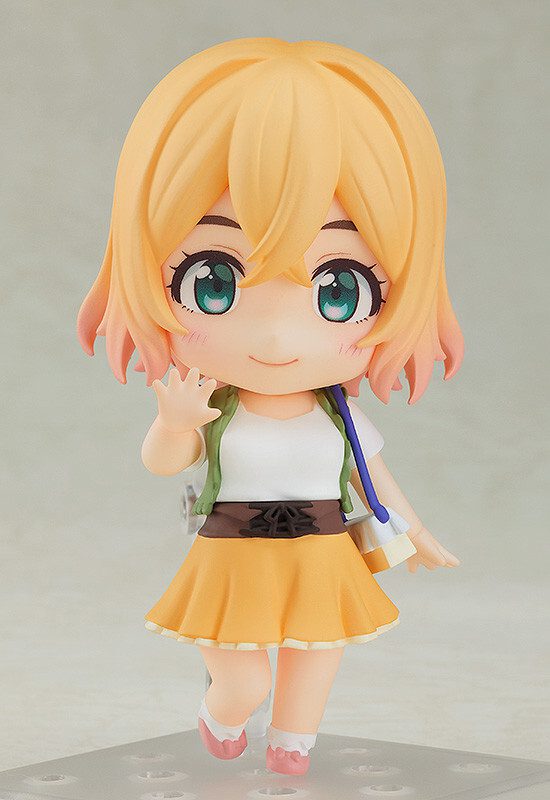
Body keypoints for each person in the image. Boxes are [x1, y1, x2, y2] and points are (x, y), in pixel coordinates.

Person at [78, 38, 463, 776]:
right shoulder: (211, 404)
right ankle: (224, 709)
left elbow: (374, 477)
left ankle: (293, 749)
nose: (279, 336)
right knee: (246, 677)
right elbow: (164, 463)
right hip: (230, 550)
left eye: (340, 289)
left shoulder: (337, 416)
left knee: (316, 657)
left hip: (322, 548)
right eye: (212, 281)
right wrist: (174, 423)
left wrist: (415, 531)